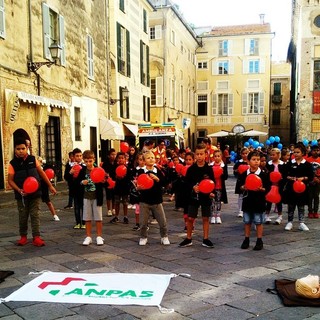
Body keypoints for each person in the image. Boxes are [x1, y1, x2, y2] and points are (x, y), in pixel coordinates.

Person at [8, 138, 57, 246]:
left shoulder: (32, 159)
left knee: (35, 215)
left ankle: (36, 237)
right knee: (23, 216)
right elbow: (10, 180)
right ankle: (23, 236)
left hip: (35, 193)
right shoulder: (13, 163)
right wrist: (18, 190)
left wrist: (50, 186)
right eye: (18, 149)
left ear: (27, 148)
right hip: (21, 195)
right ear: (15, 150)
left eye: (23, 148)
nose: (21, 151)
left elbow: (42, 173)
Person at [179, 143, 215, 248]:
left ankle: (206, 238)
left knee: (205, 218)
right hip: (193, 196)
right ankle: (188, 238)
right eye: (197, 154)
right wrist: (193, 187)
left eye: (201, 154)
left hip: (206, 196)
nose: (199, 156)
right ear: (195, 155)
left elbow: (212, 182)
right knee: (190, 218)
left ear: (205, 155)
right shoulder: (191, 169)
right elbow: (186, 182)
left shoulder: (209, 169)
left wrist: (211, 192)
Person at [136, 150, 170, 246]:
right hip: (144, 200)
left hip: (157, 200)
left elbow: (164, 182)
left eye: (152, 157)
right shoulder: (141, 171)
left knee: (162, 221)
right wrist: (138, 188)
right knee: (143, 222)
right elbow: (137, 184)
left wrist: (157, 179)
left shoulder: (158, 170)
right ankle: (143, 237)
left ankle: (164, 236)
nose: (151, 159)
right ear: (144, 161)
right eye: (148, 158)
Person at [238, 150, 269, 250]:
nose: (256, 162)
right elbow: (240, 186)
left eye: (258, 160)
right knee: (247, 221)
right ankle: (246, 239)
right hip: (247, 200)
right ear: (249, 161)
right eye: (254, 159)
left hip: (258, 201)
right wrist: (244, 187)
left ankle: (259, 240)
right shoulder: (244, 174)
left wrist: (261, 189)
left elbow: (267, 188)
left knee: (258, 220)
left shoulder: (263, 174)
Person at [283, 142, 314, 231]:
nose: (295, 154)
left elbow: (311, 176)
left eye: (298, 152)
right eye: (294, 152)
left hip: (302, 188)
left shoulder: (307, 164)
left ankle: (301, 222)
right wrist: (290, 178)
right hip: (291, 187)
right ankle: (289, 222)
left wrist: (303, 178)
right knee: (291, 205)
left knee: (301, 205)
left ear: (303, 153)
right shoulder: (290, 163)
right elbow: (284, 174)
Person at [77, 150, 104, 246]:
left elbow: (103, 182)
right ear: (84, 161)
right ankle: (88, 236)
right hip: (86, 196)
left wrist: (103, 180)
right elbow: (77, 182)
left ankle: (99, 236)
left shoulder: (98, 170)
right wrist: (81, 182)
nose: (88, 163)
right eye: (86, 161)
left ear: (94, 160)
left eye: (90, 161)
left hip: (97, 196)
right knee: (87, 217)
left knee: (98, 217)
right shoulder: (82, 171)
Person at [265, 148, 286, 225]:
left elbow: (285, 174)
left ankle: (279, 216)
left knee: (278, 200)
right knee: (269, 200)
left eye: (273, 155)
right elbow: (266, 174)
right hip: (270, 185)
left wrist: (281, 181)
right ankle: (266, 215)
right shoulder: (268, 164)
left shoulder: (283, 164)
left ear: (278, 155)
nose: (272, 156)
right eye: (271, 155)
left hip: (279, 185)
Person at [109, 152, 131, 224]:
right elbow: (111, 176)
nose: (121, 160)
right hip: (117, 187)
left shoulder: (127, 168)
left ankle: (125, 216)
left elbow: (129, 178)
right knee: (117, 202)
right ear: (117, 159)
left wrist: (124, 177)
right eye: (119, 158)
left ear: (125, 159)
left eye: (122, 158)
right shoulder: (114, 167)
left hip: (125, 188)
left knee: (125, 202)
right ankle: (116, 216)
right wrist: (116, 177)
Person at [68, 148, 86, 229]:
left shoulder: (84, 166)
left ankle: (84, 222)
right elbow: (66, 177)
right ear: (73, 157)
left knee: (84, 206)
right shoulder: (70, 166)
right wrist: (70, 173)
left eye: (80, 156)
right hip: (74, 189)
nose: (79, 157)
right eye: (77, 156)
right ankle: (78, 222)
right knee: (77, 206)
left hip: (83, 189)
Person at [38, 157, 60, 221]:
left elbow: (50, 171)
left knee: (48, 201)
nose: (40, 162)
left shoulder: (45, 167)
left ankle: (55, 215)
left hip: (44, 185)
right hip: (37, 185)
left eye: (40, 161)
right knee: (35, 202)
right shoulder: (35, 168)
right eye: (39, 160)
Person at [210, 149, 228, 224]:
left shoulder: (223, 165)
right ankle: (213, 215)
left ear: (221, 156)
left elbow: (226, 177)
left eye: (218, 156)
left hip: (220, 186)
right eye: (215, 156)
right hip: (212, 186)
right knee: (212, 201)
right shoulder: (210, 166)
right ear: (213, 157)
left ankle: (218, 215)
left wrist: (221, 173)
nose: (217, 157)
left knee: (218, 201)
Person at [234, 147, 249, 218]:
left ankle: (246, 210)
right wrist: (238, 170)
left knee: (248, 196)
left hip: (249, 181)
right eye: (243, 154)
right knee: (240, 196)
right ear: (241, 154)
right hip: (241, 180)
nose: (245, 155)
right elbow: (235, 171)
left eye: (246, 153)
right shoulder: (239, 162)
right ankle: (240, 210)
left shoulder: (250, 161)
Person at [306, 145, 320, 218]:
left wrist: (318, 179)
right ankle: (310, 211)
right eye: (314, 150)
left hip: (318, 181)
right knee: (310, 197)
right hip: (310, 182)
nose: (316, 152)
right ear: (311, 151)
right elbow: (305, 171)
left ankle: (316, 211)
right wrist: (310, 179)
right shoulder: (308, 160)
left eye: (317, 150)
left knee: (316, 197)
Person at [102, 148, 117, 216]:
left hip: (115, 181)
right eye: (112, 154)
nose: (113, 156)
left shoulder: (117, 162)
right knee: (108, 196)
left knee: (114, 196)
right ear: (109, 155)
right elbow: (103, 172)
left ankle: (113, 209)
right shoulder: (105, 163)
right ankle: (109, 209)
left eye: (115, 154)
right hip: (108, 181)